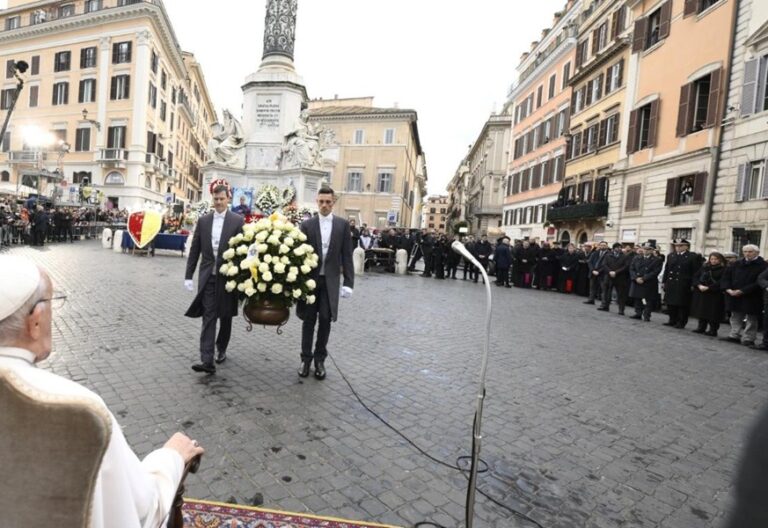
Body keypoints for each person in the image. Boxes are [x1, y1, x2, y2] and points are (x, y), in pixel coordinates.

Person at [0, 256, 204, 527]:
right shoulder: (74, 410)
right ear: (35, 321)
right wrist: (171, 458)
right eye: (52, 303)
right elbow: (142, 507)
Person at [184, 185, 245, 374]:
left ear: (228, 199)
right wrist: (189, 275)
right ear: (213, 199)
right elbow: (195, 250)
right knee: (209, 316)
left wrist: (241, 276)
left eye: (222, 199)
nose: (218, 202)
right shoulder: (203, 221)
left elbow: (242, 251)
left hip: (228, 278)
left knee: (225, 316)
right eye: (216, 199)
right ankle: (207, 359)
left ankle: (222, 348)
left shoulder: (237, 221)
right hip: (208, 277)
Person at [296, 187, 354, 380]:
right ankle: (305, 359)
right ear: (317, 201)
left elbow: (347, 255)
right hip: (310, 282)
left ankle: (320, 360)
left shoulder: (342, 225)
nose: (324, 205)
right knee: (308, 321)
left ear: (333, 202)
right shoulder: (307, 225)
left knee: (325, 321)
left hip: (330, 282)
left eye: (328, 202)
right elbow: (299, 255)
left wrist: (349, 282)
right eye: (321, 202)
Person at [721, 245, 767, 347]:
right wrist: (728, 289)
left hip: (752, 295)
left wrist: (742, 290)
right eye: (745, 251)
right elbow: (726, 277)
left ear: (757, 253)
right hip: (734, 293)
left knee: (751, 318)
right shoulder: (736, 263)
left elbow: (759, 281)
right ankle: (734, 335)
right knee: (735, 315)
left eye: (750, 252)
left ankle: (749, 338)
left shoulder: (763, 265)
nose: (747, 254)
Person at [662, 239, 701, 329]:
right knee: (671, 303)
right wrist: (664, 281)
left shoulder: (692, 256)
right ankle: (672, 320)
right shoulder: (671, 255)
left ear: (686, 246)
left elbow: (696, 272)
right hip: (671, 283)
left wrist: (693, 284)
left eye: (681, 245)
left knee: (682, 304)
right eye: (676, 246)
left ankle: (681, 322)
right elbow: (667, 270)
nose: (678, 247)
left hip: (684, 284)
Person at [690, 252, 727, 336]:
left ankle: (713, 330)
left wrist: (709, 288)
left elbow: (722, 281)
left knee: (713, 312)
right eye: (712, 259)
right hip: (702, 291)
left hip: (715, 293)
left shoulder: (724, 269)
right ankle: (701, 327)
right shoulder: (705, 267)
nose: (713, 261)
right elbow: (696, 276)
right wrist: (698, 285)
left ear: (720, 260)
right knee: (702, 310)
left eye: (715, 259)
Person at [628, 244, 663, 322]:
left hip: (649, 282)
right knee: (637, 298)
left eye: (648, 249)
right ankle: (638, 313)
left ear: (652, 250)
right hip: (637, 281)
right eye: (644, 249)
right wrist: (635, 278)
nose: (646, 250)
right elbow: (631, 268)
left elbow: (655, 271)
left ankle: (647, 315)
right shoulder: (637, 258)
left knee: (648, 300)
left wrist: (644, 278)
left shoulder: (657, 259)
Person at [598, 243, 631, 315]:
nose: (619, 249)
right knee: (607, 292)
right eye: (617, 247)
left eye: (620, 247)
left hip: (620, 277)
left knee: (621, 294)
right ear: (614, 248)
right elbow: (604, 265)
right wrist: (610, 271)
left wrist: (616, 272)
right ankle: (605, 306)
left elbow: (626, 266)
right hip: (609, 276)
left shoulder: (625, 256)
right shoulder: (608, 255)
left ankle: (621, 309)